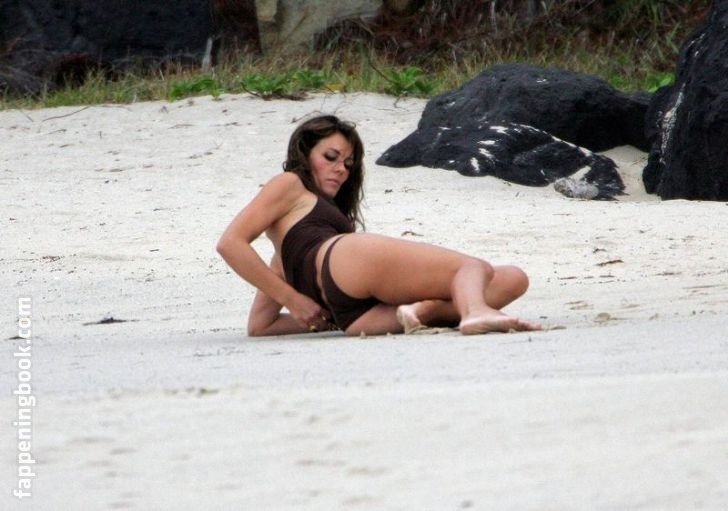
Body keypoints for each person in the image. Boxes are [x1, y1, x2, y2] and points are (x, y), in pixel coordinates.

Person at [217, 115, 541, 337]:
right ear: (304, 151)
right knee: (472, 268)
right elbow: (231, 242)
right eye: (330, 157)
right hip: (345, 261)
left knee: (512, 279)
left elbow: (261, 326)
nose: (341, 169)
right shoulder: (290, 182)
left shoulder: (286, 253)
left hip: (352, 316)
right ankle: (475, 312)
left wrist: (309, 310)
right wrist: (292, 299)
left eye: (348, 164)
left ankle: (424, 311)